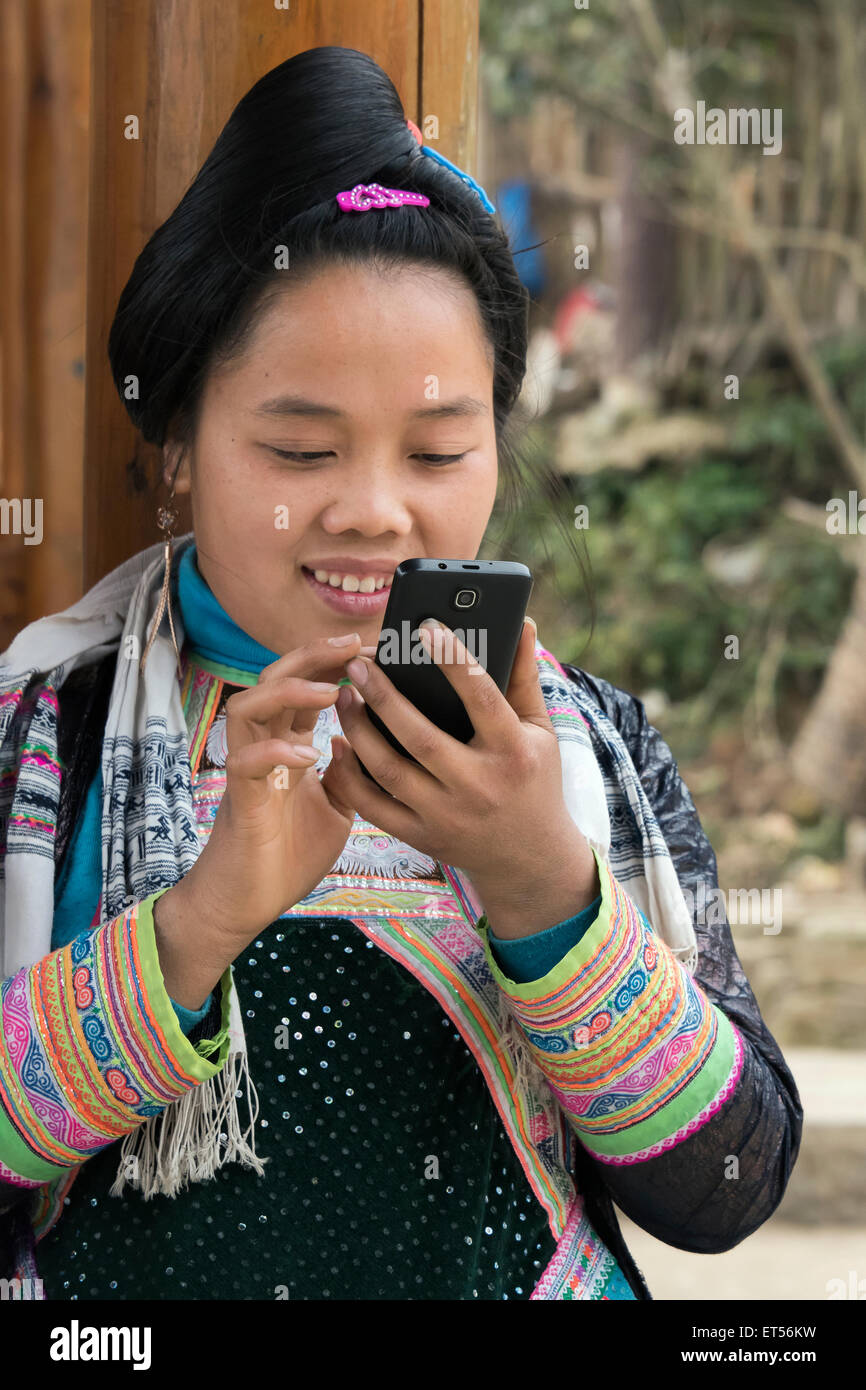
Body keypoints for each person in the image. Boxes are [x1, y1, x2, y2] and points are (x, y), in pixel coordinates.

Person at [0, 46, 801, 1302]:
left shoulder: (581, 747)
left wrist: (542, 880)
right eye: (300, 447)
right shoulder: (50, 733)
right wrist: (198, 922)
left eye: (436, 451)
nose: (375, 513)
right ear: (178, 451)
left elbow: (726, 1187)